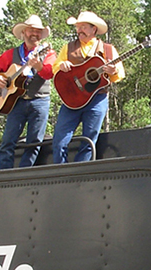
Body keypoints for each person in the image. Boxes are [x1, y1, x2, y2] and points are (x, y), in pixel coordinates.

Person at [51, 11, 125, 163]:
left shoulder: (108, 50)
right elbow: (55, 67)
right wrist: (61, 65)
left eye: (83, 27)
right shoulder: (68, 47)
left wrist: (113, 71)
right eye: (78, 27)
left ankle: (80, 174)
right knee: (59, 140)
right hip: (71, 99)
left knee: (89, 140)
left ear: (94, 29)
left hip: (97, 99)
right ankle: (60, 173)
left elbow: (118, 75)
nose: (79, 30)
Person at [0, 15, 57, 169]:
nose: (35, 34)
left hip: (40, 100)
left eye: (38, 31)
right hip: (16, 102)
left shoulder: (48, 53)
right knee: (8, 141)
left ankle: (25, 173)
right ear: (24, 32)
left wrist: (38, 66)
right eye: (31, 30)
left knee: (34, 142)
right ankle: (3, 175)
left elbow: (48, 73)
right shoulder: (11, 54)